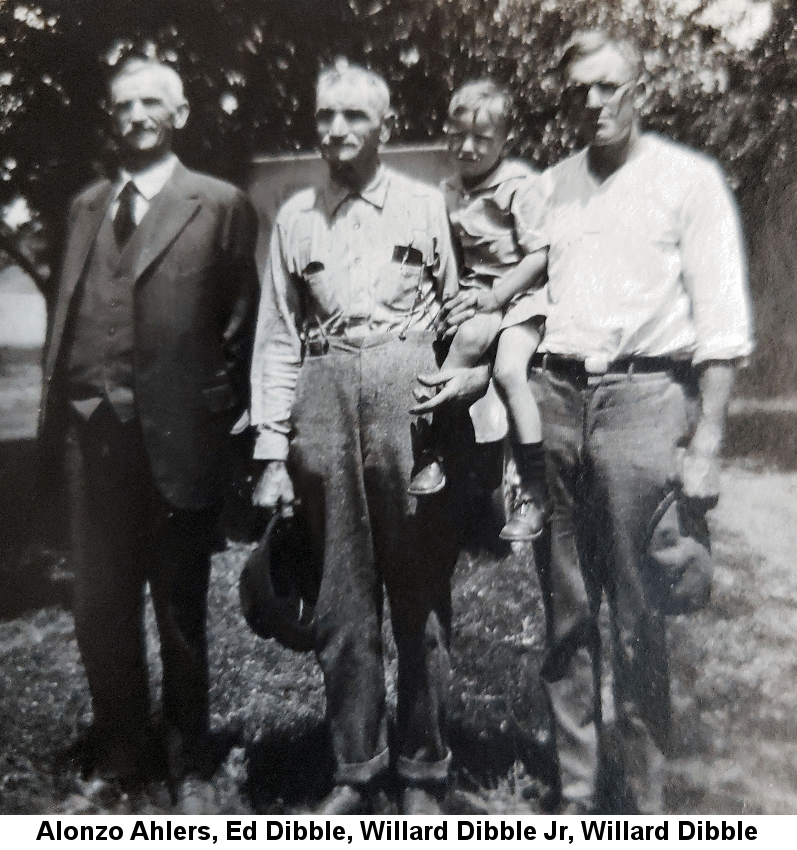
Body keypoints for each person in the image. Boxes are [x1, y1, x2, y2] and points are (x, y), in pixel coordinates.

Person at [413, 31, 754, 813]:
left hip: (645, 401)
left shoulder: (687, 181)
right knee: (565, 609)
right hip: (555, 401)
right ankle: (573, 794)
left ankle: (639, 800)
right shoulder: (550, 187)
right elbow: (511, 284)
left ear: (641, 90)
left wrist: (705, 444)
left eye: (609, 87)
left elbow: (723, 328)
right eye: (578, 91)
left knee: (638, 610)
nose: (593, 103)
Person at [40, 57, 259, 810]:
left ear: (181, 113)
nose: (132, 113)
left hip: (176, 439)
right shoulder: (85, 206)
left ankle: (190, 762)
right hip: (89, 438)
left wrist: (216, 421)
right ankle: (121, 756)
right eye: (121, 102)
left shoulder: (219, 204)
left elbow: (241, 326)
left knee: (179, 607)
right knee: (100, 605)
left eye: (149, 102)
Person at [249, 59, 462, 815]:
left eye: (353, 116)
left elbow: (458, 308)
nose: (335, 129)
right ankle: (355, 765)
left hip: (409, 396)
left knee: (418, 592)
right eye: (324, 115)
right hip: (325, 391)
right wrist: (272, 451)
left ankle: (424, 767)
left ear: (385, 126)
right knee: (340, 595)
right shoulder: (296, 218)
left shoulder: (423, 206)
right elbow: (277, 335)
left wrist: (456, 403)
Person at [407, 79, 550, 542]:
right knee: (444, 341)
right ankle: (441, 451)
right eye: (457, 134)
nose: (467, 147)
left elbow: (539, 255)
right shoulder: (447, 190)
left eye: (482, 138)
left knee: (508, 372)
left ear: (505, 141)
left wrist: (495, 296)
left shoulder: (518, 185)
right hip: (473, 293)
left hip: (519, 295)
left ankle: (532, 486)